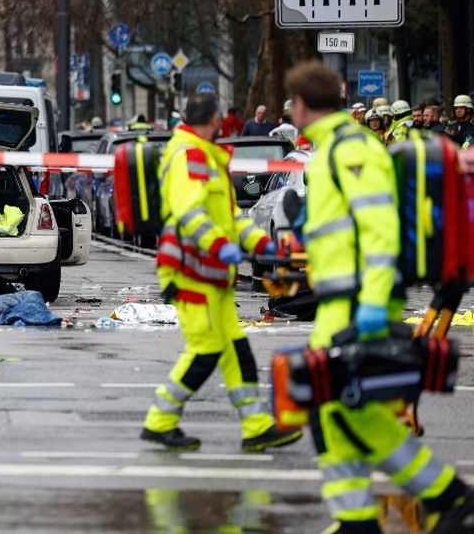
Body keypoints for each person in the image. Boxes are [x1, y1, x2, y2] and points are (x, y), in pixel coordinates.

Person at [285, 60, 474, 533]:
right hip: (341, 298)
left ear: (303, 105)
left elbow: (379, 227)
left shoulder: (349, 149)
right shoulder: (333, 149)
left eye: (293, 103)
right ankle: (356, 518)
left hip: (357, 299)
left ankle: (448, 495)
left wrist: (371, 302)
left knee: (340, 406)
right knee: (335, 407)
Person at [140, 92, 300, 453]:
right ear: (214, 121)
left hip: (211, 273)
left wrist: (262, 245)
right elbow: (190, 214)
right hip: (190, 272)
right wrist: (221, 247)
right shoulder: (191, 156)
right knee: (206, 349)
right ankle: (159, 421)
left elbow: (231, 219)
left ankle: (256, 427)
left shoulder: (209, 158)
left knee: (236, 350)